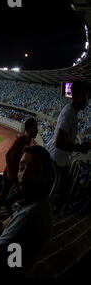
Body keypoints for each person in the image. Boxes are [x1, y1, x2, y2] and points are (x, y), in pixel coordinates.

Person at [0, 145, 53, 277]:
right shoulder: (35, 200)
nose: (23, 175)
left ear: (45, 176)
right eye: (21, 168)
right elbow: (2, 225)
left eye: (33, 170)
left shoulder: (29, 215)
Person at [47, 81, 90, 213]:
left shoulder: (72, 112)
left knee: (63, 191)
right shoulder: (69, 113)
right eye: (85, 96)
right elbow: (58, 142)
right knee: (55, 192)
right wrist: (80, 148)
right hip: (56, 161)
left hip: (61, 161)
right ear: (80, 95)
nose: (87, 100)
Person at [0, 118, 38, 214]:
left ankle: (2, 207)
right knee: (14, 192)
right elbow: (8, 154)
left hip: (15, 173)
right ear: (28, 129)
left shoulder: (27, 141)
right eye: (35, 128)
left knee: (11, 192)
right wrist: (10, 172)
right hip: (10, 172)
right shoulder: (21, 140)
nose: (37, 130)